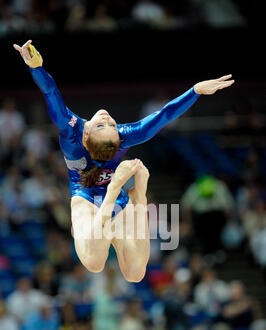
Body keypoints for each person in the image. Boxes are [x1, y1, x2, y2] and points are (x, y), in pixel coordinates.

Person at [13, 40, 234, 281]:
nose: (108, 119)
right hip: (85, 198)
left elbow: (162, 116)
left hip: (115, 198)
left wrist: (196, 91)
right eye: (104, 125)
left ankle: (127, 200)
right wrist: (36, 66)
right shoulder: (72, 129)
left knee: (135, 274)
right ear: (85, 136)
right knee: (95, 264)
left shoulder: (114, 135)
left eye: (110, 125)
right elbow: (49, 91)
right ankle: (133, 196)